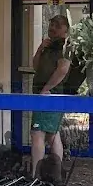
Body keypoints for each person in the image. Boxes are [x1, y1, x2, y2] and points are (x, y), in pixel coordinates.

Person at [31, 15, 71, 176]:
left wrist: (46, 89)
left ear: (66, 29)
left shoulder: (67, 46)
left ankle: (35, 175)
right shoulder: (49, 45)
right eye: (51, 24)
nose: (52, 28)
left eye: (57, 25)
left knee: (37, 133)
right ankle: (55, 173)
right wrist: (40, 49)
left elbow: (63, 69)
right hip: (43, 92)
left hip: (50, 94)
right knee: (52, 134)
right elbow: (35, 66)